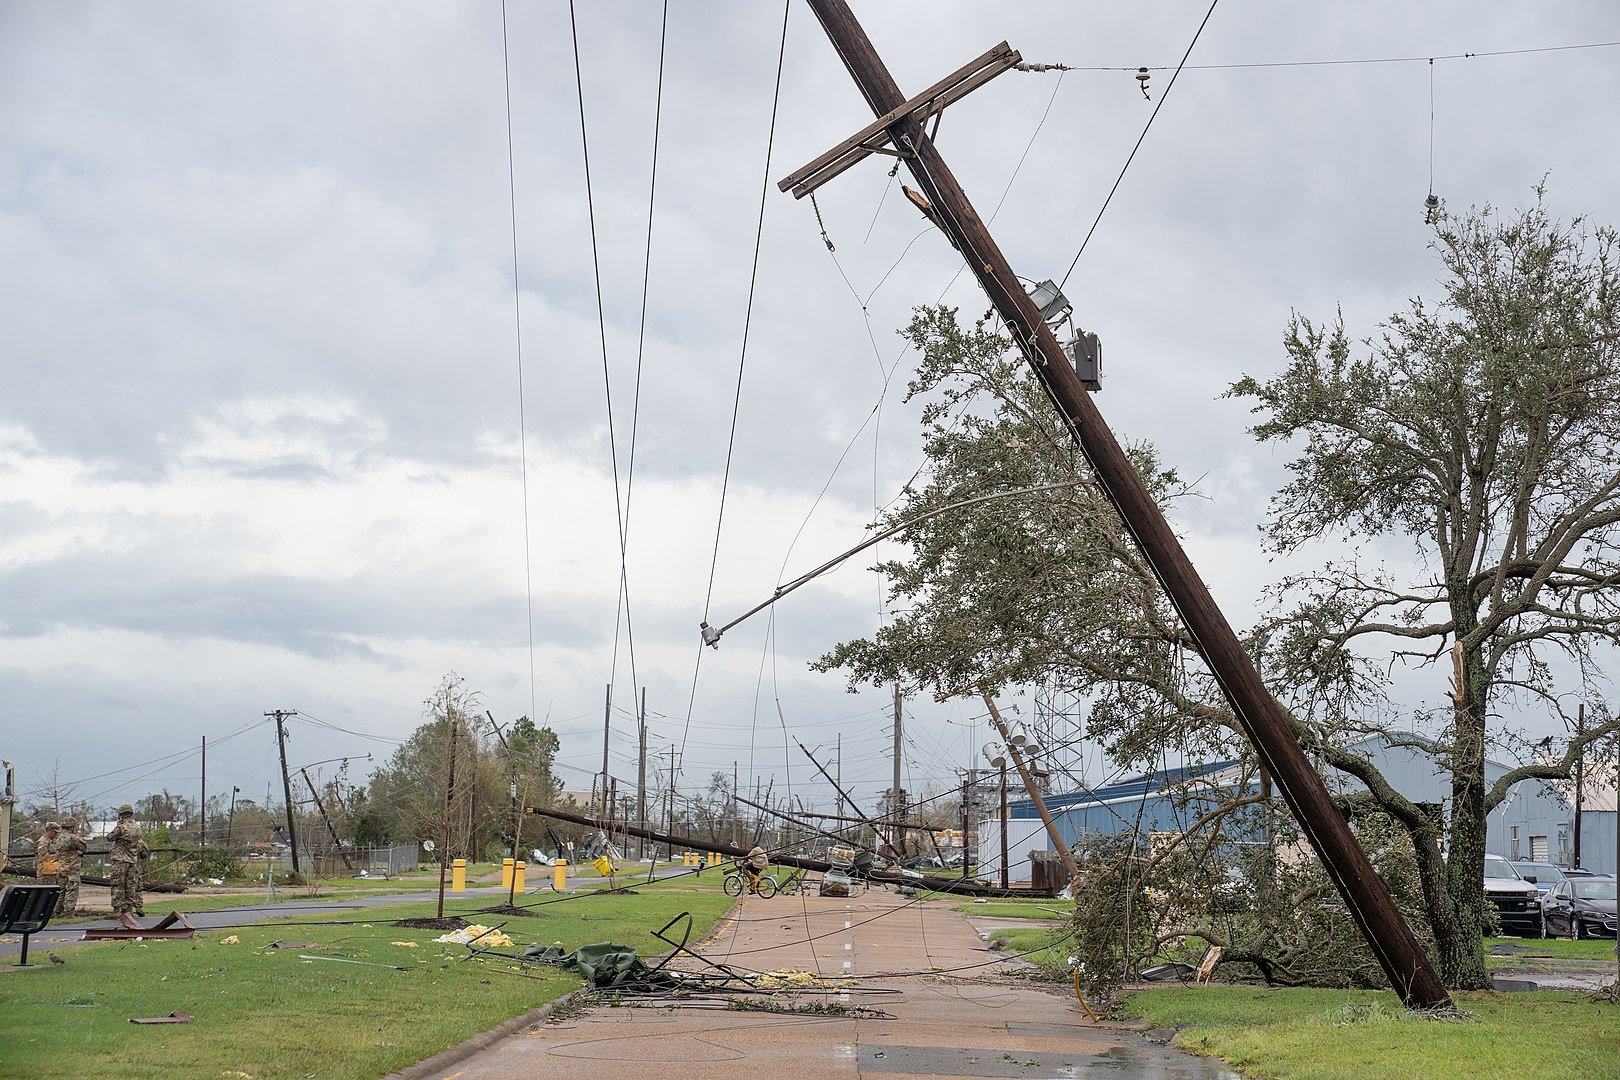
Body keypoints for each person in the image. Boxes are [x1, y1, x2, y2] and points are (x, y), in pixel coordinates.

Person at [107, 804, 149, 918]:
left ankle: (116, 910)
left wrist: (117, 826)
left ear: (121, 815)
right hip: (132, 860)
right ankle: (129, 910)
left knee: (117, 884)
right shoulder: (137, 828)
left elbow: (110, 837)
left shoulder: (121, 827)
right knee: (130, 885)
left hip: (120, 860)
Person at [53, 818, 88, 916]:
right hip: (71, 869)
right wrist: (78, 851)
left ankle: (57, 911)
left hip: (61, 867)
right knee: (72, 891)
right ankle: (69, 913)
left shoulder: (59, 838)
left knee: (61, 891)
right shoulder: (73, 838)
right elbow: (84, 848)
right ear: (72, 827)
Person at [36, 822, 61, 890]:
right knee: (44, 895)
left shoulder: (52, 841)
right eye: (55, 832)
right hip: (45, 874)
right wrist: (59, 856)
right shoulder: (42, 842)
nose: (56, 834)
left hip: (52, 872)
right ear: (50, 831)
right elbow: (44, 857)